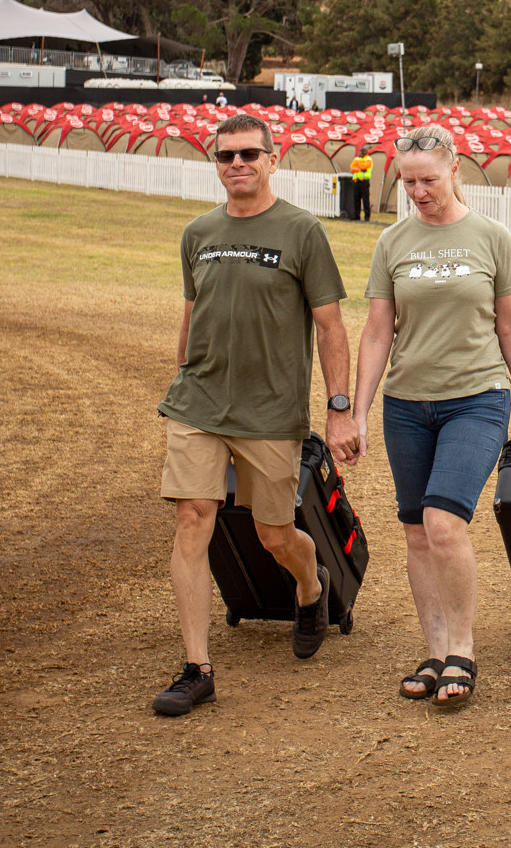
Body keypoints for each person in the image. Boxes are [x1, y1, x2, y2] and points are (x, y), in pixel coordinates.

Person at [337, 124, 511, 708]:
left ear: (456, 169)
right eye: (407, 181)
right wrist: (357, 410)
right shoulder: (393, 243)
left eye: (428, 179)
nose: (418, 191)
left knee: (444, 523)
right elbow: (378, 331)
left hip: (476, 400)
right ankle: (433, 653)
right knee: (415, 531)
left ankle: (462, 650)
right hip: (407, 406)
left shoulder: (490, 237)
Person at [151, 113, 351, 718]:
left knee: (271, 533)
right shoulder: (198, 232)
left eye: (248, 155)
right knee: (193, 518)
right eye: (225, 156)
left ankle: (311, 585)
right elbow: (193, 308)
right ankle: (197, 668)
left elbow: (331, 326)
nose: (236, 164)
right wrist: (183, 368)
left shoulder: (302, 231)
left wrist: (338, 408)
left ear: (273, 158)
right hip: (199, 403)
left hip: (269, 412)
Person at [349, 146, 374, 222]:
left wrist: (358, 165)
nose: (361, 153)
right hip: (356, 181)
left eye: (363, 151)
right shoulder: (357, 159)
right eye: (361, 151)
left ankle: (367, 217)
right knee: (356, 199)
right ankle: (356, 216)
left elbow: (364, 168)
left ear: (366, 152)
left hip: (364, 182)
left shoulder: (369, 160)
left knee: (365, 200)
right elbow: (352, 168)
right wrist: (358, 168)